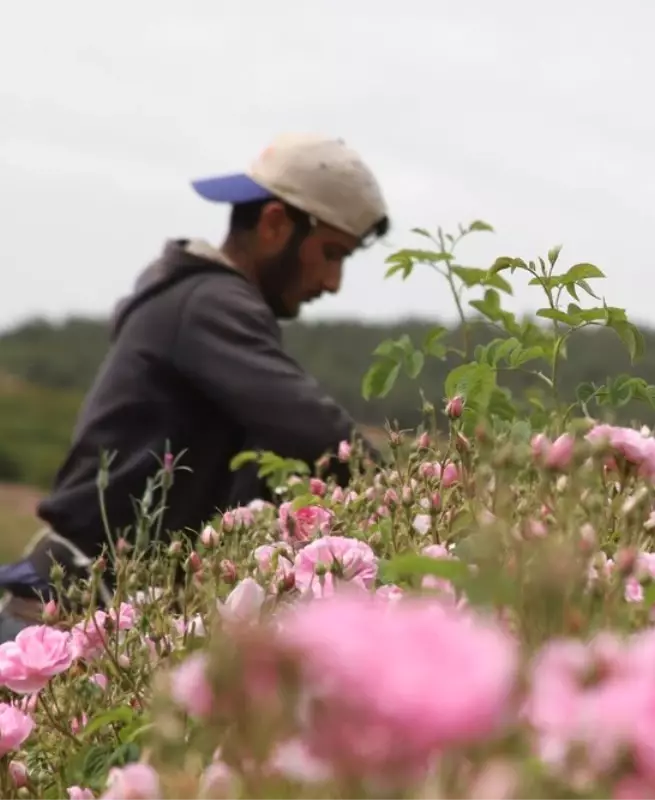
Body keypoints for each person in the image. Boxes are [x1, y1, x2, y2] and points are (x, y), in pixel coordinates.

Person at [0, 133, 391, 640]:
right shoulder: (209, 303)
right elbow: (320, 435)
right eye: (332, 252)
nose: (334, 281)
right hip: (63, 620)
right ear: (275, 223)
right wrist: (414, 499)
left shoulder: (201, 301)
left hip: (84, 617)